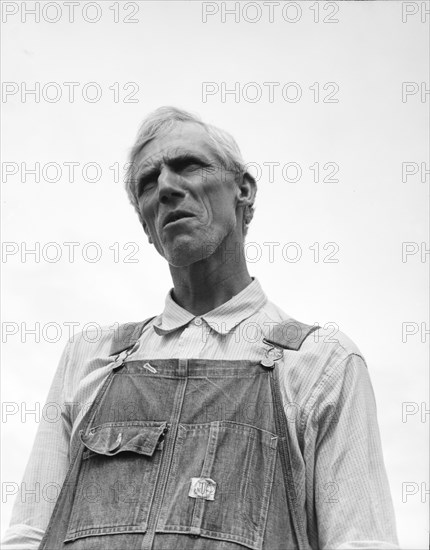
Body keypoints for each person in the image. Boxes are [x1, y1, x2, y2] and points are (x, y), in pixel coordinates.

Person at [3, 107, 399, 550]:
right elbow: (28, 537)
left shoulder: (321, 363)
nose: (168, 187)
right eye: (148, 183)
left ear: (243, 190)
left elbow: (362, 542)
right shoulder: (89, 356)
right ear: (148, 228)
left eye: (188, 165)